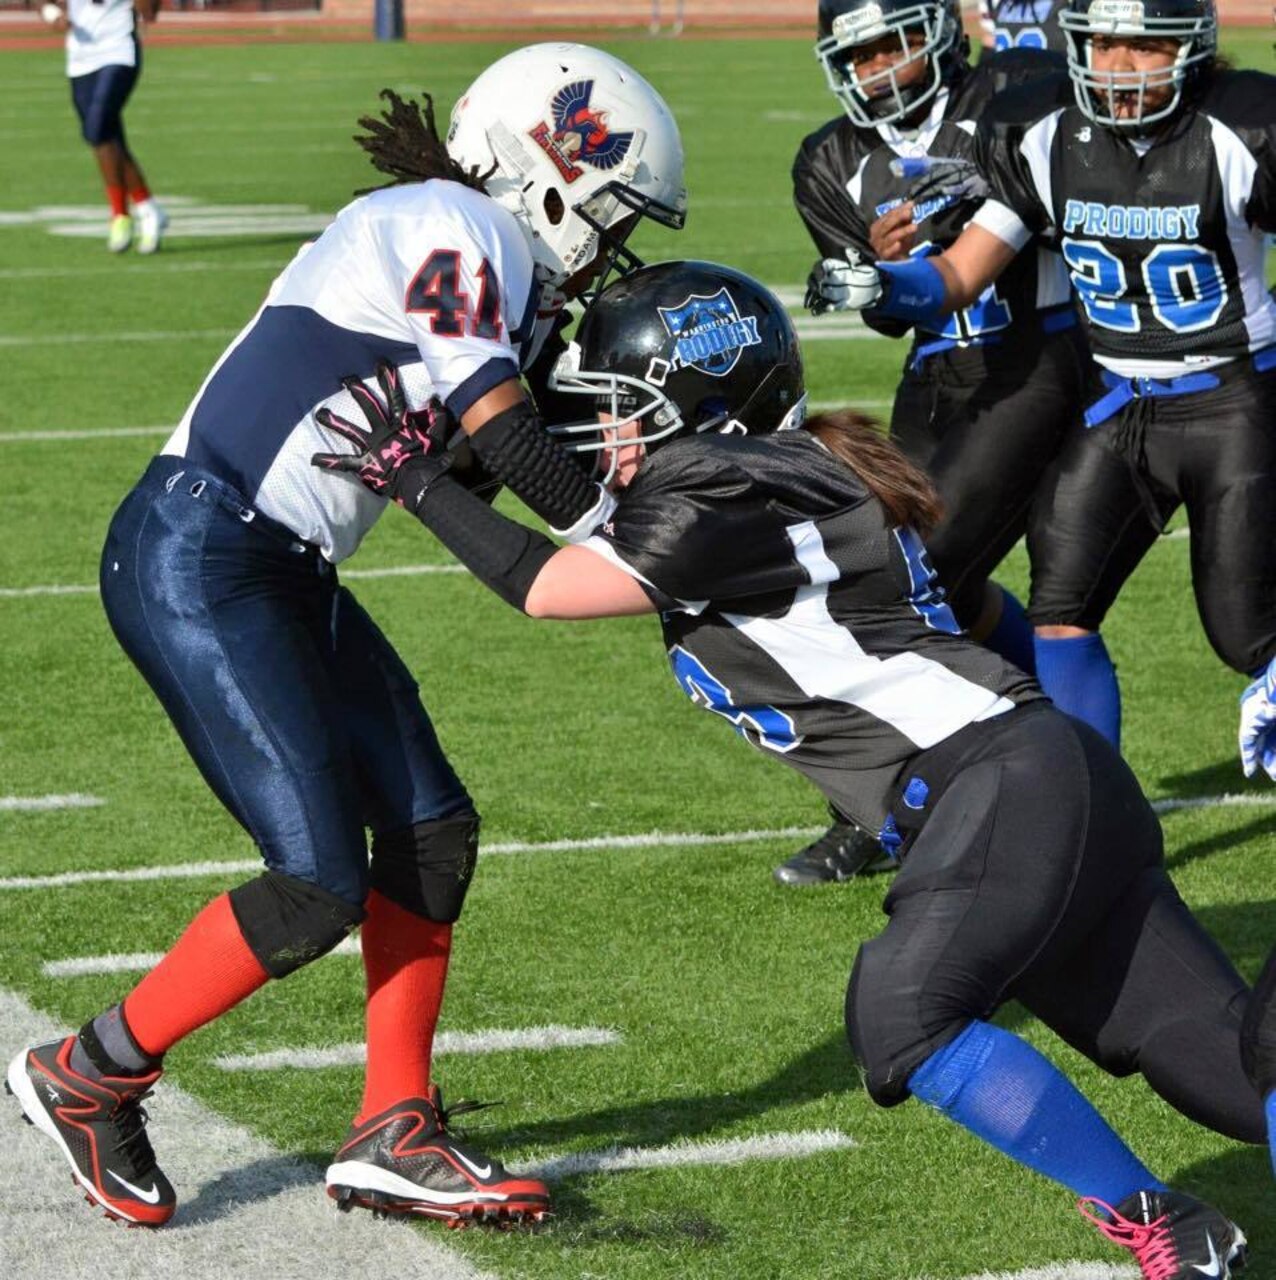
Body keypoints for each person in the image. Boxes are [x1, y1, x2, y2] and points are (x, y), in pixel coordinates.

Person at [312, 259, 1263, 1280]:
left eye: (624, 410)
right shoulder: (775, 478)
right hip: (1034, 778)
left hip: (996, 781)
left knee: (902, 1015)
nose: (610, 436)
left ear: (704, 408)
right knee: (1235, 1077)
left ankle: (1165, 1229)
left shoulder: (724, 480)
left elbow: (546, 584)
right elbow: (987, 616)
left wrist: (416, 481)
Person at [4, 42, 686, 1229]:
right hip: (204, 549)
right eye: (611, 218)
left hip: (274, 559)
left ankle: (394, 1123)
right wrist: (639, 525)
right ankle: (90, 1070)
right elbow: (513, 453)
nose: (604, 251)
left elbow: (467, 464)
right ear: (554, 170)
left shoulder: (473, 260)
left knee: (431, 828)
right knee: (317, 880)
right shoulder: (448, 219)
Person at [819, 0, 1276, 769]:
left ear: (1189, 47)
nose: (1116, 63)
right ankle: (1096, 809)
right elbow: (959, 274)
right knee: (1061, 612)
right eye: (1101, 41)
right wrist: (883, 286)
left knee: (1244, 633)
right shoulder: (1044, 134)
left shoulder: (1238, 129)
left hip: (1233, 403)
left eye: (1140, 44)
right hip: (1122, 403)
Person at [788, 0, 1087, 884]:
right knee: (884, 571)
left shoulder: (1012, 94)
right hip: (936, 371)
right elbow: (879, 313)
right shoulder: (830, 158)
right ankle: (979, 771)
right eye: (860, 53)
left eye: (892, 43)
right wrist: (877, 274)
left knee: (917, 576)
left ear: (940, 32)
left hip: (1037, 353)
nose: (878, 68)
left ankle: (897, 808)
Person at [42, 0, 167, 253]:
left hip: (118, 51)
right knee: (105, 136)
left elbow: (150, 12)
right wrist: (51, 12)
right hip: (80, 55)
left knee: (97, 128)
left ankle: (122, 214)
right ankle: (145, 209)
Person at [979, 0, 1069, 56]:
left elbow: (989, 45)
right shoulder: (1058, 6)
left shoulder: (1003, 6)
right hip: (1047, 82)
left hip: (1009, 83)